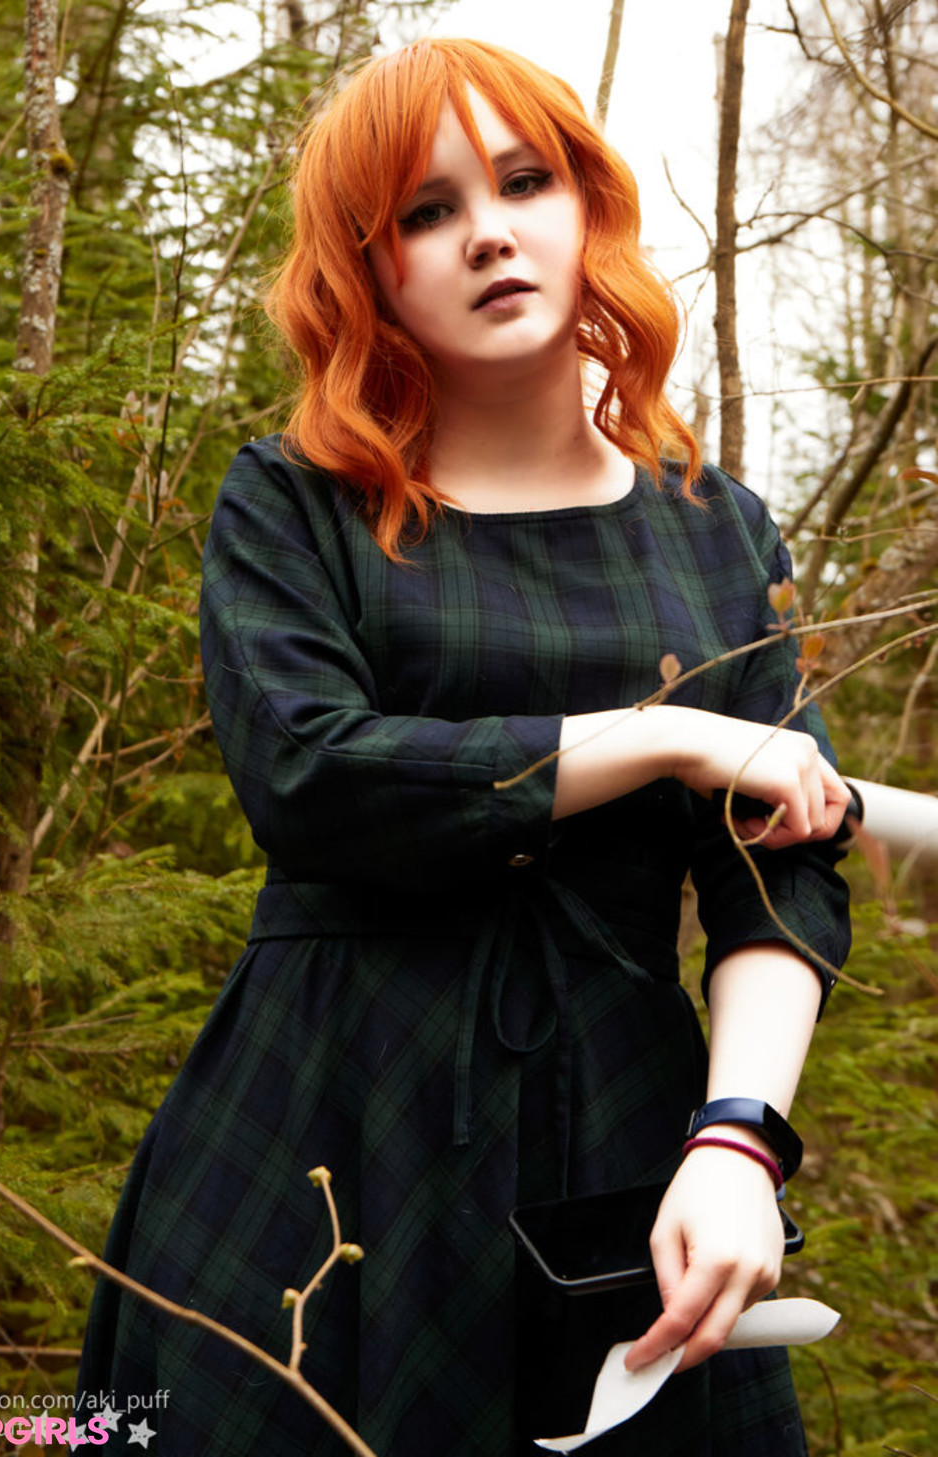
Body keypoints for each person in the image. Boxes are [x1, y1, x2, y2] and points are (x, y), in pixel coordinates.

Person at [76, 37, 853, 1457]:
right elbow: (315, 775)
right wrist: (667, 737)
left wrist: (740, 1138)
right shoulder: (296, 505)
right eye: (426, 212)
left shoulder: (716, 532)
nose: (487, 232)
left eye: (522, 182)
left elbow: (783, 869)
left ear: (587, 208)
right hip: (321, 1137)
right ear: (369, 275)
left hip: (629, 1132)